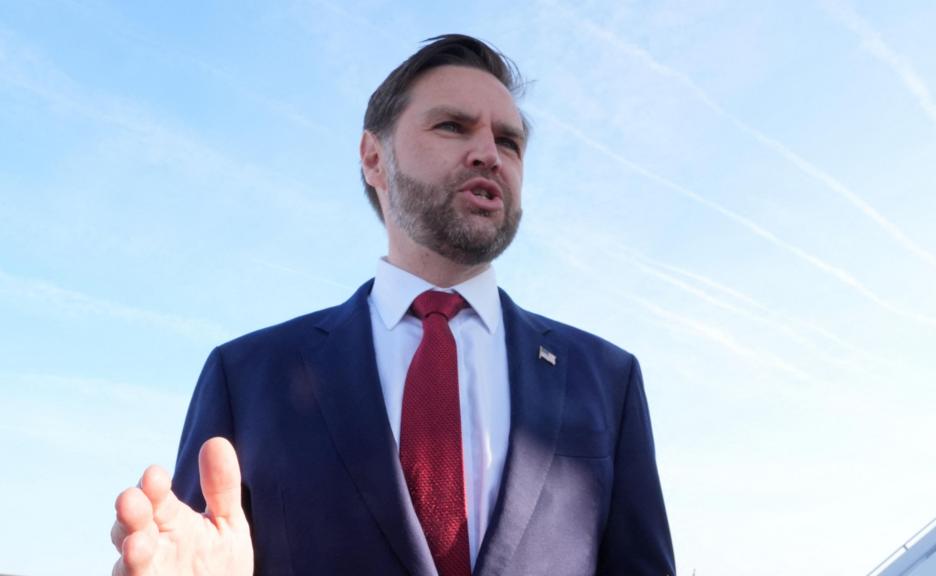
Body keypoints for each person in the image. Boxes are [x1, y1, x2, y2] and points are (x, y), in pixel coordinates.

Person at [110, 34, 675, 575]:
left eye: (509, 142)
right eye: (454, 126)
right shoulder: (247, 376)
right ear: (374, 158)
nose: (489, 154)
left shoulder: (607, 380)